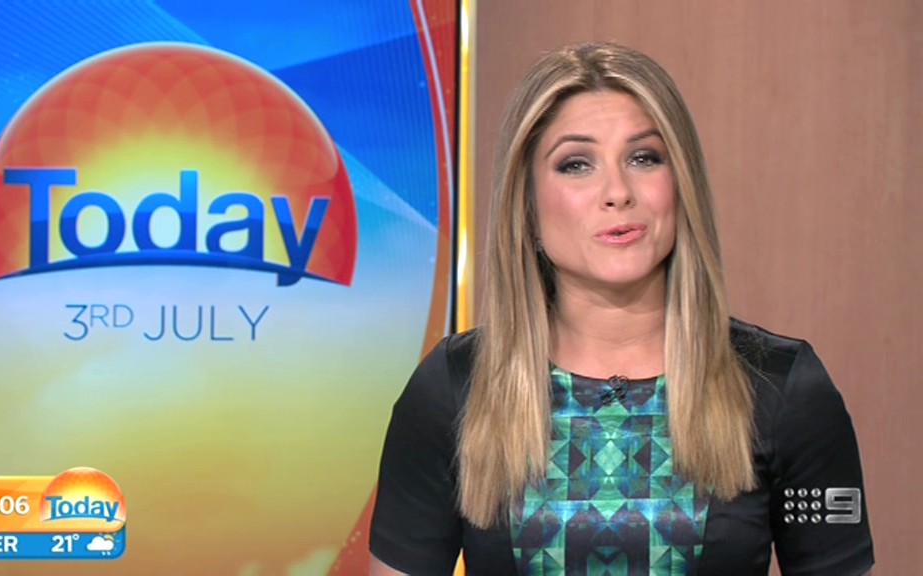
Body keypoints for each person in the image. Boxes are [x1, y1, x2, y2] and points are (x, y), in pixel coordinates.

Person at [368, 42, 874, 575]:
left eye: (643, 158)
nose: (617, 192)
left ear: (681, 185)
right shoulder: (453, 388)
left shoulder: (785, 388)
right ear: (527, 203)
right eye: (576, 164)